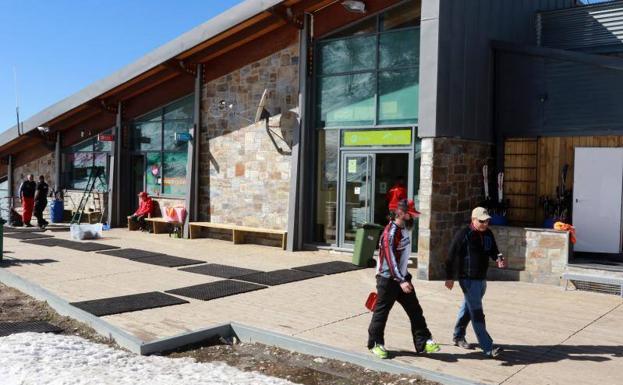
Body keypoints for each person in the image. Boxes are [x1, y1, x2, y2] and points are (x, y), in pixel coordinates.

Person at [367, 199, 440, 359]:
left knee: (415, 311)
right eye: (410, 214)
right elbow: (391, 260)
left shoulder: (404, 229)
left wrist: (403, 278)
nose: (412, 217)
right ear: (400, 213)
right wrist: (401, 280)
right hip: (387, 280)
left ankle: (424, 342)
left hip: (402, 278)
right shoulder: (389, 233)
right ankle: (375, 344)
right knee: (381, 313)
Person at [445, 207, 506, 358]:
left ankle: (458, 336)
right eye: (481, 221)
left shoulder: (488, 233)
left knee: (469, 308)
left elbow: (494, 250)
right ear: (473, 220)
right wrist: (449, 277)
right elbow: (450, 256)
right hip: (467, 279)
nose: (485, 224)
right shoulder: (464, 234)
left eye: (487, 221)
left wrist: (498, 258)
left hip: (481, 279)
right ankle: (488, 347)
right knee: (477, 312)